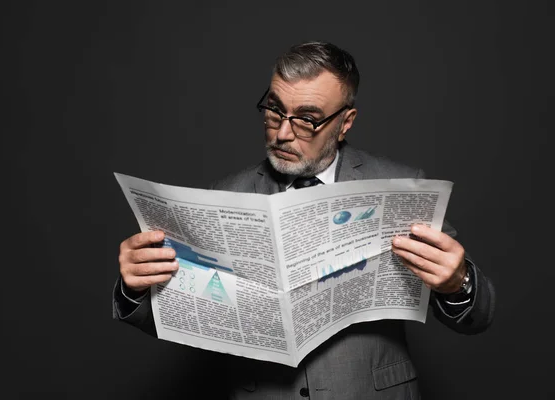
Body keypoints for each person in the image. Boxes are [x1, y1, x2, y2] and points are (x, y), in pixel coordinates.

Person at [113, 41, 495, 399]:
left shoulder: (402, 187)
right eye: (275, 110)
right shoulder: (223, 195)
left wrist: (456, 281)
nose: (281, 133)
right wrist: (136, 287)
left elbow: (477, 316)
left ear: (345, 122)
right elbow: (184, 312)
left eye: (307, 120)